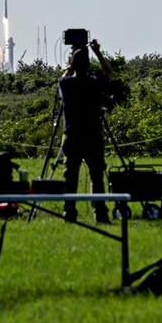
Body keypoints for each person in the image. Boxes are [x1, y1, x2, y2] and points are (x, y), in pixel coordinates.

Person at [58, 39, 114, 223]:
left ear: (72, 64)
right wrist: (97, 52)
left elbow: (65, 76)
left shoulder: (65, 84)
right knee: (97, 176)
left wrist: (70, 65)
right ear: (89, 64)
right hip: (93, 135)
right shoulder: (94, 82)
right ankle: (100, 213)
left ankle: (69, 213)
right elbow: (109, 73)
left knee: (70, 176)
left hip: (72, 136)